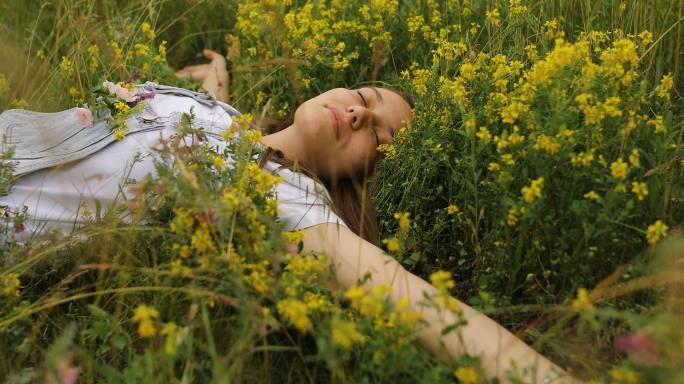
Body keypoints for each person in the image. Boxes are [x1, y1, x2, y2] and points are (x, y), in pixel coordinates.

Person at [0, 49, 577, 383]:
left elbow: (422, 305)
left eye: (377, 134)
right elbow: (189, 128)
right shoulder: (229, 124)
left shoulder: (284, 202)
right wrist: (214, 75)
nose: (355, 112)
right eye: (365, 96)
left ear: (361, 182)